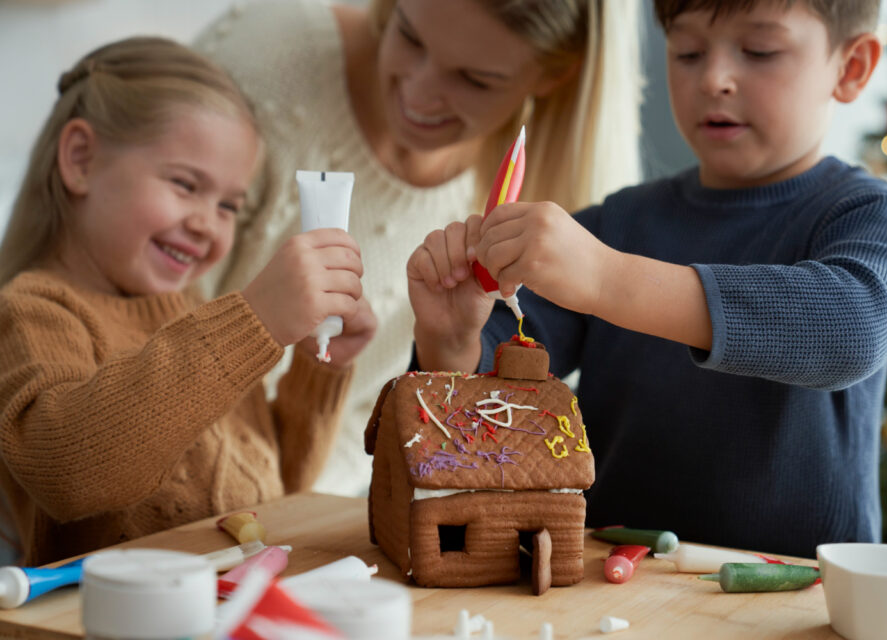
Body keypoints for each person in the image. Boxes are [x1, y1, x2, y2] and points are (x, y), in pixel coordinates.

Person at [406, 0, 887, 558]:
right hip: (613, 579)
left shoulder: (867, 212)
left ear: (851, 68)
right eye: (688, 52)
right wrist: (453, 338)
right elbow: (491, 409)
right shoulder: (618, 222)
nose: (714, 79)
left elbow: (850, 329)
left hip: (801, 593)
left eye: (759, 51)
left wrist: (608, 279)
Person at [193, 0, 642, 497]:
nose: (418, 92)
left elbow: (442, 444)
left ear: (556, 75)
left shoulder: (554, 209)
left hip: (319, 514)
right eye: (408, 36)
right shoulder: (268, 59)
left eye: (475, 79)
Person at [0, 37, 376, 565]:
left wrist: (321, 366)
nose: (206, 224)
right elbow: (71, 473)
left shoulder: (194, 317)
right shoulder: (35, 312)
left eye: (228, 205)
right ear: (80, 159)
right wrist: (256, 320)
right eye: (185, 184)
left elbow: (268, 486)